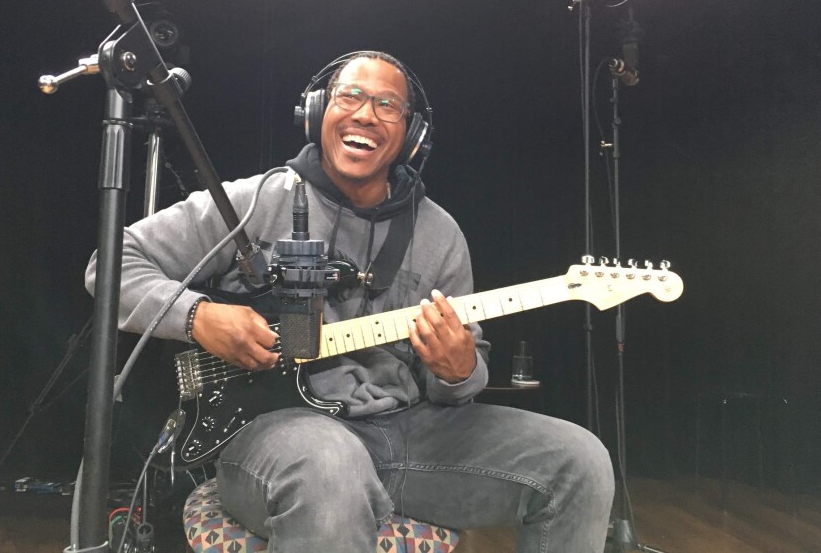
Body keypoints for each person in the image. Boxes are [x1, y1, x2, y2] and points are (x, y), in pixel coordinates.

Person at [86, 51, 614, 552]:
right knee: (330, 464)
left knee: (579, 460)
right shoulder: (254, 202)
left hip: (408, 432)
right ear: (318, 111)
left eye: (388, 106)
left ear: (412, 134)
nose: (366, 114)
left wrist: (458, 370)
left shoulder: (442, 235)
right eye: (350, 97)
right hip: (279, 435)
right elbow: (109, 264)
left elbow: (458, 386)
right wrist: (197, 316)